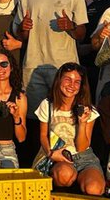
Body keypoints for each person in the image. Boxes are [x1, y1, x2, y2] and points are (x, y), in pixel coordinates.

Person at [12, 0, 88, 115]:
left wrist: (71, 27)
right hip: (33, 66)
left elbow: (81, 34)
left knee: (64, 116)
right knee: (33, 117)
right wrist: (23, 29)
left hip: (63, 66)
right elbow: (20, 34)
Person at [34, 62, 102, 193]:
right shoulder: (47, 105)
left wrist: (82, 123)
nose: (72, 85)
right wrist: (51, 154)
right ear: (59, 80)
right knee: (64, 175)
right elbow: (43, 135)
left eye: (77, 82)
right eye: (68, 79)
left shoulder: (89, 110)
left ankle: (80, 184)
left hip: (84, 157)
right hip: (59, 155)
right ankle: (65, 190)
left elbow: (82, 147)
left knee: (94, 188)